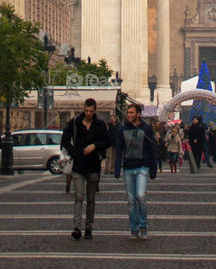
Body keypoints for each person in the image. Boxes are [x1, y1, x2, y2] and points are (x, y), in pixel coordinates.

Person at [61, 98, 109, 240]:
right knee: (79, 196)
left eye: (90, 111)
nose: (88, 113)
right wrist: (74, 153)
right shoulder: (75, 123)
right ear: (83, 109)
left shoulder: (100, 125)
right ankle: (76, 227)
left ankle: (89, 227)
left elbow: (107, 141)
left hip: (94, 165)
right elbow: (65, 140)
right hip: (79, 166)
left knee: (91, 198)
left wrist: (95, 146)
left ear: (95, 111)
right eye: (86, 110)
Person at [114, 102, 158, 239]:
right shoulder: (122, 129)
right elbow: (119, 149)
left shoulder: (146, 128)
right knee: (131, 201)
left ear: (138, 114)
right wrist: (117, 168)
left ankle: (143, 226)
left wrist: (153, 168)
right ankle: (134, 228)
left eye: (131, 112)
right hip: (128, 168)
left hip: (142, 166)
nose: (128, 115)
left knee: (140, 196)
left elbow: (152, 148)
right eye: (128, 112)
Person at [104, 110, 119, 174]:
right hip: (109, 143)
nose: (111, 120)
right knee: (108, 156)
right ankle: (106, 169)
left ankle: (112, 169)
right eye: (111, 119)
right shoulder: (109, 125)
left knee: (114, 157)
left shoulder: (118, 125)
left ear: (115, 119)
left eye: (112, 118)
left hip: (115, 142)